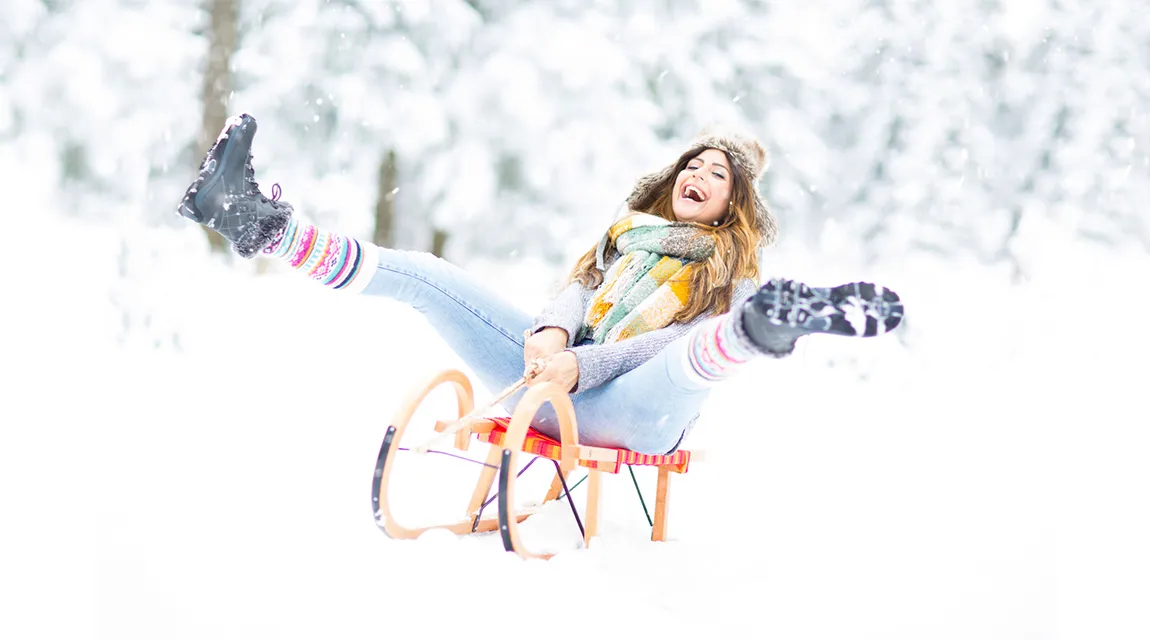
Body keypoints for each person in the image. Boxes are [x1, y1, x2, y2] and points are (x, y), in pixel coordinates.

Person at [176, 114, 904, 455]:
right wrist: (555, 330)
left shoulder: (725, 268)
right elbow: (578, 288)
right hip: (554, 387)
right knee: (433, 278)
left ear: (733, 204)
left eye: (719, 174)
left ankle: (772, 326)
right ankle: (264, 228)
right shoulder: (625, 236)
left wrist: (579, 365)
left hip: (635, 414)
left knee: (697, 352)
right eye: (693, 163)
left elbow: (663, 348)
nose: (698, 175)